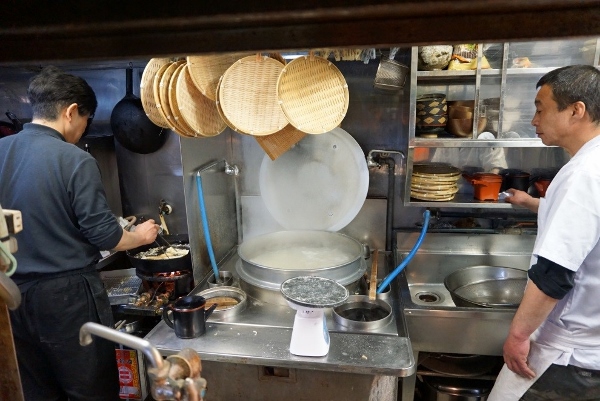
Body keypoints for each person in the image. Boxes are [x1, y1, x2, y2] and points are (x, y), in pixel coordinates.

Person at [0, 66, 160, 401]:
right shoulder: (75, 159)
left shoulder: (2, 150)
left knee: (36, 391)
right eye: (86, 120)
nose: (84, 128)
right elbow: (107, 237)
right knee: (92, 390)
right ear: (71, 111)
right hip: (67, 298)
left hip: (11, 296)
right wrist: (141, 236)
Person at [489, 65, 600, 400]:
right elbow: (586, 224)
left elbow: (555, 272)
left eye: (541, 109)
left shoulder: (583, 174)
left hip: (567, 356)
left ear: (576, 110)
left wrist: (518, 335)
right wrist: (532, 203)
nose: (534, 120)